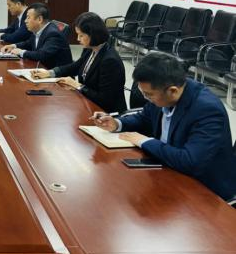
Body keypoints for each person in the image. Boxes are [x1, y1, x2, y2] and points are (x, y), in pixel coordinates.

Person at [92, 53, 236, 202]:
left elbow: (190, 162)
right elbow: (144, 117)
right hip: (168, 168)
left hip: (204, 189)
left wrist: (144, 141)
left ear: (172, 91)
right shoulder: (164, 93)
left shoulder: (207, 110)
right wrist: (117, 123)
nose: (146, 99)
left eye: (149, 95)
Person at [31, 12, 127, 113]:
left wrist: (77, 85)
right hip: (88, 103)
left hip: (106, 113)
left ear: (93, 35)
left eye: (81, 35)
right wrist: (50, 73)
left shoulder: (110, 61)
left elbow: (105, 100)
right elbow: (75, 66)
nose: (78, 39)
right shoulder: (90, 49)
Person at [1, 3, 72, 69]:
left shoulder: (53, 34)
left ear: (39, 19)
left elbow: (42, 54)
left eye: (28, 17)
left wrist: (21, 52)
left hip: (57, 75)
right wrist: (14, 46)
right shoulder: (39, 30)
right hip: (42, 69)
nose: (25, 21)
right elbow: (29, 43)